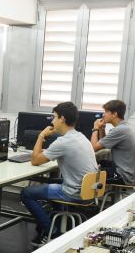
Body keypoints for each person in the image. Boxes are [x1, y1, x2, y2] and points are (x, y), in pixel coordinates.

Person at [21, 101, 98, 245]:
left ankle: (51, 230)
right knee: (52, 182)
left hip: (73, 192)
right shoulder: (81, 137)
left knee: (26, 193)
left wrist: (41, 136)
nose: (52, 121)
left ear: (62, 119)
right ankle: (53, 220)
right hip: (88, 190)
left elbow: (35, 161)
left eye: (54, 117)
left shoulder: (63, 142)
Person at [90, 100, 135, 185]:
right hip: (131, 173)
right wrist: (102, 129)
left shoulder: (120, 130)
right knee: (96, 163)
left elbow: (93, 148)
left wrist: (95, 128)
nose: (103, 115)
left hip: (124, 176)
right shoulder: (126, 126)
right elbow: (103, 145)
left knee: (87, 173)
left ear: (115, 114)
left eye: (106, 112)